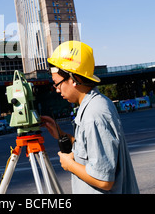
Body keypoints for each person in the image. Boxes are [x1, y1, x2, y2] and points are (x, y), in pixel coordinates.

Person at [41, 41, 139, 194]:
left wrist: (69, 164)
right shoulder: (92, 106)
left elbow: (104, 180)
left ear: (73, 79)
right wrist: (61, 135)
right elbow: (92, 151)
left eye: (57, 84)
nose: (57, 90)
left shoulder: (94, 113)